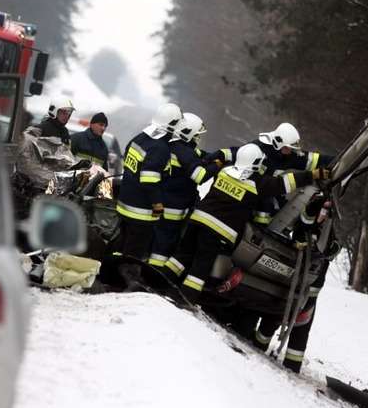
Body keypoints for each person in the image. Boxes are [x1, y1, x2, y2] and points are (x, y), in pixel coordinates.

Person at [164, 143, 330, 302]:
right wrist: (313, 175)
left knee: (181, 254)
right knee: (201, 264)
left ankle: (161, 280)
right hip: (217, 230)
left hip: (198, 219)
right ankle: (186, 296)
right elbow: (284, 183)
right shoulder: (257, 183)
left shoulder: (225, 171)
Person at [223, 195, 340, 374]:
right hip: (296, 281)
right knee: (274, 313)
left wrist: (330, 248)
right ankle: (259, 344)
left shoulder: (328, 227)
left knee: (296, 322)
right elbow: (303, 225)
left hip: (307, 287)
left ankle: (291, 365)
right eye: (322, 209)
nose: (324, 213)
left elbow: (329, 248)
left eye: (326, 210)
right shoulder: (308, 212)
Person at [208, 123, 335, 227]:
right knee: (264, 206)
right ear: (277, 143)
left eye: (291, 148)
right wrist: (213, 159)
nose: (290, 151)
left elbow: (314, 160)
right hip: (246, 192)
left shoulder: (288, 155)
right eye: (287, 148)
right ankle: (255, 231)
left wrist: (338, 162)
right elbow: (234, 154)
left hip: (268, 189)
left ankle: (262, 231)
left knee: (281, 207)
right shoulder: (256, 150)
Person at [113, 103, 182, 290]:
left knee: (122, 243)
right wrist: (157, 203)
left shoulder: (141, 137)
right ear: (172, 125)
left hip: (125, 203)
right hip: (141, 210)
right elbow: (149, 180)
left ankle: (112, 275)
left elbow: (127, 156)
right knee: (135, 250)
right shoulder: (160, 148)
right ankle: (126, 281)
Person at [148, 113, 221, 267]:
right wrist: (217, 164)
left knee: (155, 238)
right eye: (197, 135)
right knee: (164, 244)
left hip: (160, 201)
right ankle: (154, 271)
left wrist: (214, 156)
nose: (198, 139)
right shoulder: (185, 152)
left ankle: (148, 266)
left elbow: (196, 156)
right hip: (173, 207)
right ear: (188, 133)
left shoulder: (171, 146)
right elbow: (200, 176)